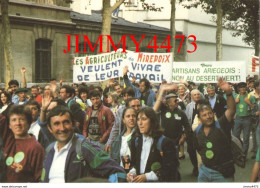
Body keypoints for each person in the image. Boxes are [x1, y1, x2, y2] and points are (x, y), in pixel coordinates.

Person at [42, 105, 126, 182]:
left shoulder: (85, 148)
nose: (62, 128)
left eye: (66, 122)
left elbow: (117, 172)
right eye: (56, 124)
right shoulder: (49, 150)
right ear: (49, 128)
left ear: (73, 124)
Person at [194, 78, 236, 182]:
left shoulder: (221, 124)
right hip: (204, 172)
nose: (208, 116)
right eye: (204, 115)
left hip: (223, 173)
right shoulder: (198, 129)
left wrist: (228, 93)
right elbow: (198, 147)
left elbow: (231, 110)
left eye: (210, 113)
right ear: (199, 118)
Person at [127, 107, 179, 182]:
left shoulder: (165, 143)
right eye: (138, 119)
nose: (140, 123)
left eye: (144, 119)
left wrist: (147, 176)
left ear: (152, 121)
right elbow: (134, 163)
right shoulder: (136, 140)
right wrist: (132, 172)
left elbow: (170, 169)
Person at [0, 105, 44, 182]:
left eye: (22, 119)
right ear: (9, 125)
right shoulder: (8, 140)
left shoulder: (36, 148)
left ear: (29, 123)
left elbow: (40, 178)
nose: (18, 123)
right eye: (14, 120)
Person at [153, 83, 192, 161]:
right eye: (175, 101)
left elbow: (187, 126)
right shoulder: (163, 109)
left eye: (177, 100)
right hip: (163, 140)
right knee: (163, 159)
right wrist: (162, 90)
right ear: (169, 102)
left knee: (174, 160)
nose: (177, 102)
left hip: (176, 141)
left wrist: (183, 137)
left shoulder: (181, 113)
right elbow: (158, 99)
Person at [110, 107, 137, 173]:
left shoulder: (139, 137)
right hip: (121, 174)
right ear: (123, 120)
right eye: (128, 116)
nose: (131, 118)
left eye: (133, 116)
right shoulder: (118, 139)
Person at [233, 82, 256, 157]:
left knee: (246, 138)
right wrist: (234, 103)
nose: (243, 88)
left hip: (247, 119)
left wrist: (249, 103)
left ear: (246, 88)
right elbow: (232, 107)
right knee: (235, 136)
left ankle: (244, 154)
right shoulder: (236, 97)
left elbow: (255, 108)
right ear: (238, 89)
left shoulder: (250, 97)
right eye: (241, 87)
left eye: (244, 87)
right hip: (238, 119)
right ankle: (239, 151)